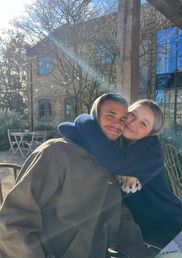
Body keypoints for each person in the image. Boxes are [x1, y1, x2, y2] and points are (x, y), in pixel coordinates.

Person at [0, 93, 154, 258]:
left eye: (123, 119)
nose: (117, 123)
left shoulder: (114, 164)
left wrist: (142, 252)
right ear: (94, 118)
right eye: (110, 115)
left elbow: (119, 217)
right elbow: (13, 221)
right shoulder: (56, 152)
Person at [58, 98, 182, 249]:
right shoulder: (115, 142)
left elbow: (115, 162)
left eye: (144, 123)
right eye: (132, 115)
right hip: (146, 235)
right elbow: (66, 129)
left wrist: (85, 119)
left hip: (175, 225)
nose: (134, 123)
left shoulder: (150, 150)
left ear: (151, 133)